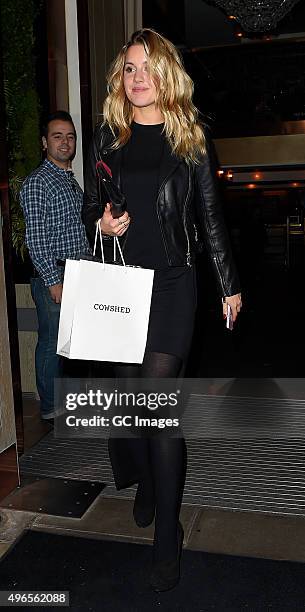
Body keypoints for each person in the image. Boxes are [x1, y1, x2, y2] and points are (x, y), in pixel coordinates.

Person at [83, 29, 242, 591]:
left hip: (175, 286)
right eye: (128, 69)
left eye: (147, 67)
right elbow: (89, 208)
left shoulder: (190, 140)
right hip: (124, 291)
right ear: (120, 80)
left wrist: (229, 282)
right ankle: (150, 486)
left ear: (166, 73)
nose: (138, 77)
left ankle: (166, 535)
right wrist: (100, 222)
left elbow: (209, 214)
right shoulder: (109, 138)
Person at [20, 111, 91, 421]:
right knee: (52, 342)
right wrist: (53, 280)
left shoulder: (69, 181)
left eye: (70, 136)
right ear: (44, 142)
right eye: (58, 136)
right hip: (56, 274)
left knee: (72, 343)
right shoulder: (38, 182)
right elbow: (35, 238)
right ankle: (50, 407)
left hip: (78, 272)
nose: (65, 141)